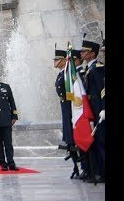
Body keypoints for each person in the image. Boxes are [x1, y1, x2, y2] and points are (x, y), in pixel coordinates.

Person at [77, 39, 105, 184]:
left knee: (100, 141)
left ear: (92, 53)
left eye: (84, 51)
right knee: (96, 141)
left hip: (98, 108)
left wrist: (103, 108)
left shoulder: (97, 68)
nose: (81, 53)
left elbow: (103, 90)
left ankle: (102, 172)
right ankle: (97, 171)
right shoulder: (88, 69)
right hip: (91, 109)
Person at [54, 48, 83, 179]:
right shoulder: (62, 74)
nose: (54, 61)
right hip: (65, 108)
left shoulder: (68, 73)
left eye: (56, 59)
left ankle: (82, 167)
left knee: (74, 139)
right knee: (70, 139)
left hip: (71, 107)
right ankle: (77, 167)